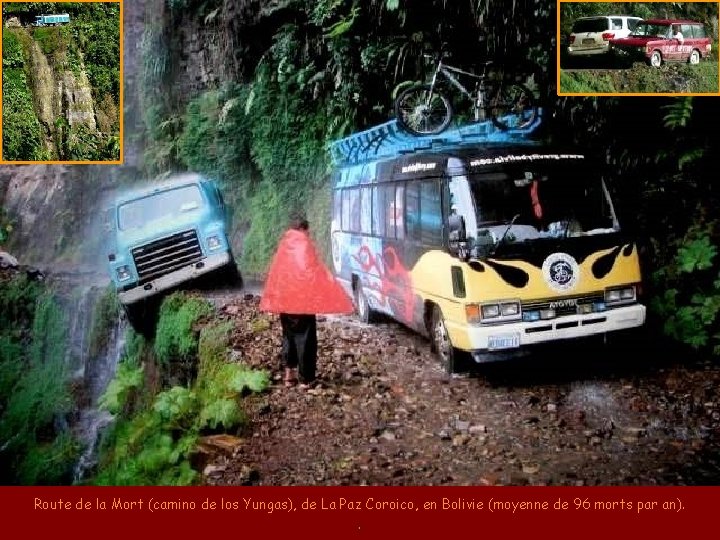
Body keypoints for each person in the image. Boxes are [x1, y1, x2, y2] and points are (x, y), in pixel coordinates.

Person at [260, 213, 354, 388]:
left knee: (288, 337)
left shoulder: (284, 244)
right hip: (302, 303)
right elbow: (312, 271)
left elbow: (277, 272)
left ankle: (289, 376)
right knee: (306, 339)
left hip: (285, 303)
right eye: (307, 231)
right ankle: (306, 379)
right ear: (303, 228)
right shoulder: (304, 243)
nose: (308, 235)